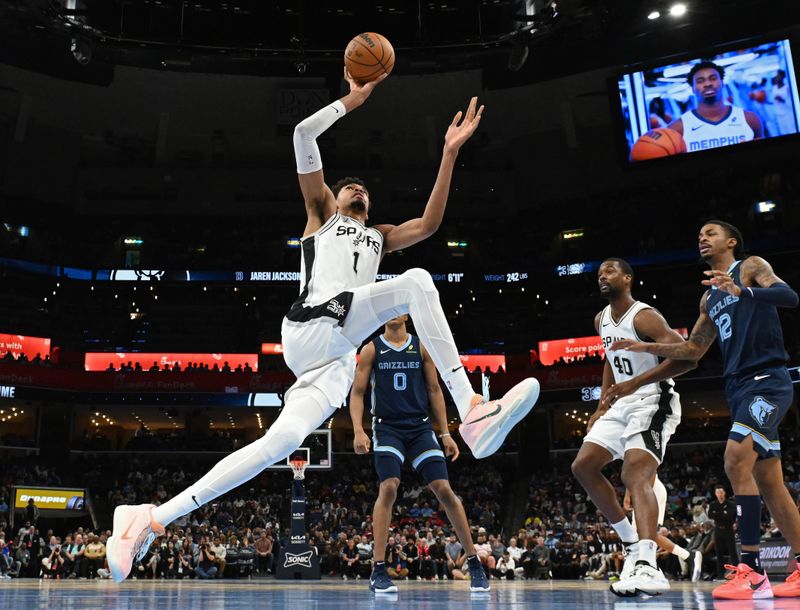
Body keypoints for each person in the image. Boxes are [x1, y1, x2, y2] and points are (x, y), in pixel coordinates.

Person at [106, 68, 539, 585]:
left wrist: (448, 153)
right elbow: (302, 135)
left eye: (363, 188)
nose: (356, 187)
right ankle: (472, 408)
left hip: (332, 363)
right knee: (417, 281)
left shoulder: (379, 237)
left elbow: (428, 225)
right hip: (312, 326)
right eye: (348, 184)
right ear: (334, 197)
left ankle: (149, 520)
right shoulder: (322, 215)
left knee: (276, 444)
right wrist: (351, 101)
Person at [609, 220, 800, 600]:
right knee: (770, 482)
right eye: (699, 234)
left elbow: (789, 296)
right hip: (738, 386)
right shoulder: (709, 297)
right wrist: (645, 348)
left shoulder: (750, 267)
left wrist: (743, 290)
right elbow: (694, 351)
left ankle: (752, 571)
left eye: (710, 233)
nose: (702, 238)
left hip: (768, 380)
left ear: (731, 241)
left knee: (734, 460)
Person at [571, 258, 695, 597]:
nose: (603, 276)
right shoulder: (601, 319)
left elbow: (687, 357)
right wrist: (601, 405)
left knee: (634, 474)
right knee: (583, 466)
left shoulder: (644, 316)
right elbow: (610, 360)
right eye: (599, 273)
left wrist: (636, 382)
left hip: (654, 399)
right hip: (623, 402)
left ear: (628, 278)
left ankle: (648, 565)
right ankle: (631, 544)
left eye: (610, 271)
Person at [350, 314, 490, 594]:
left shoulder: (421, 346)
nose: (391, 312)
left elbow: (435, 390)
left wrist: (445, 433)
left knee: (444, 490)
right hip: (387, 427)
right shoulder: (371, 348)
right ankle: (378, 569)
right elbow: (357, 392)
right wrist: (357, 429)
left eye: (396, 307)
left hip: (419, 427)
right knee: (388, 486)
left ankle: (474, 563)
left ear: (406, 314)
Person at [668, 60, 763, 152]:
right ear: (692, 88)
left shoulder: (750, 119)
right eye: (700, 81)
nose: (708, 84)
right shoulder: (677, 129)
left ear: (722, 83)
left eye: (713, 78)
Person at [622, 476, 692, 577]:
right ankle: (687, 556)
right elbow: (630, 473)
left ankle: (645, 570)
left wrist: (643, 495)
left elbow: (650, 470)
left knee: (646, 534)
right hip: (641, 489)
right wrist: (628, 495)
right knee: (639, 535)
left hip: (651, 488)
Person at [707, 485, 738, 578]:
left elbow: (729, 516)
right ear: (715, 494)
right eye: (718, 492)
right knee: (718, 552)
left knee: (732, 552)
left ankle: (737, 572)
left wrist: (717, 514)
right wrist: (722, 513)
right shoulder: (713, 504)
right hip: (718, 529)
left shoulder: (730, 504)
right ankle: (720, 573)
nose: (719, 494)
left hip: (728, 529)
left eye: (721, 492)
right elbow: (710, 515)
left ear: (724, 493)